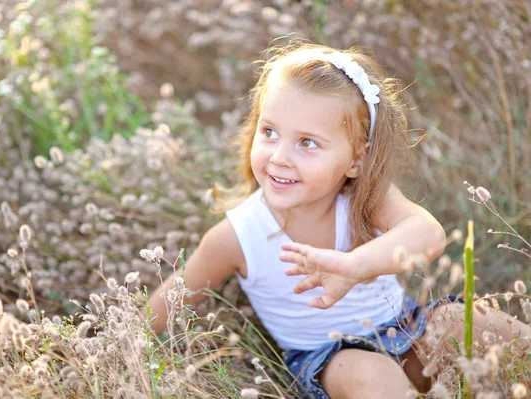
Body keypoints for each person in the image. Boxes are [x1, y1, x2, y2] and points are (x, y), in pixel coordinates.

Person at [147, 42, 531, 398]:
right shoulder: (238, 235)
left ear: (355, 160)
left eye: (307, 142)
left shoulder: (363, 199)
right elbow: (175, 295)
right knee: (374, 377)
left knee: (462, 320)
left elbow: (428, 234)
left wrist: (353, 266)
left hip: (405, 329)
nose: (280, 156)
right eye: (270, 132)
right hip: (331, 357)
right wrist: (115, 341)